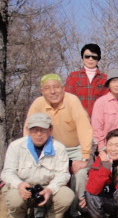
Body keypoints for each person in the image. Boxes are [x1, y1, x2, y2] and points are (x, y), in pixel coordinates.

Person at [2, 113, 75, 218]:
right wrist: (19, 184)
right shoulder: (16, 146)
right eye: (35, 130)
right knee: (13, 197)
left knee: (66, 195)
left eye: (43, 130)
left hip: (47, 187)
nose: (39, 134)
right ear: (28, 130)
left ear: (50, 130)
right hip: (23, 187)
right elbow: (7, 172)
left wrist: (50, 189)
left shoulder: (59, 148)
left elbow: (63, 174)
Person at [26, 74, 93, 205]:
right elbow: (28, 129)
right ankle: (42, 208)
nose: (52, 91)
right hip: (51, 148)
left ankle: (80, 208)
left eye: (56, 87)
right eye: (47, 88)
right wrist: (31, 154)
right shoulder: (38, 104)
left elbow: (84, 127)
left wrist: (85, 156)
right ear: (42, 91)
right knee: (40, 172)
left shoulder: (72, 100)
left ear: (63, 88)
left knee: (80, 174)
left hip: (76, 147)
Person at [91, 68, 118, 151]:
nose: (117, 85)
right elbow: (96, 128)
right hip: (106, 146)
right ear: (109, 85)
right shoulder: (101, 102)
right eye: (114, 81)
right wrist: (102, 147)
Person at [64, 43, 108, 116]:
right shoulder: (73, 76)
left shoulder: (105, 79)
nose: (90, 59)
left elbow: (108, 102)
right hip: (77, 119)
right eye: (87, 56)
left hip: (98, 119)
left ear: (98, 59)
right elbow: (67, 99)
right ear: (83, 57)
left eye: (94, 57)